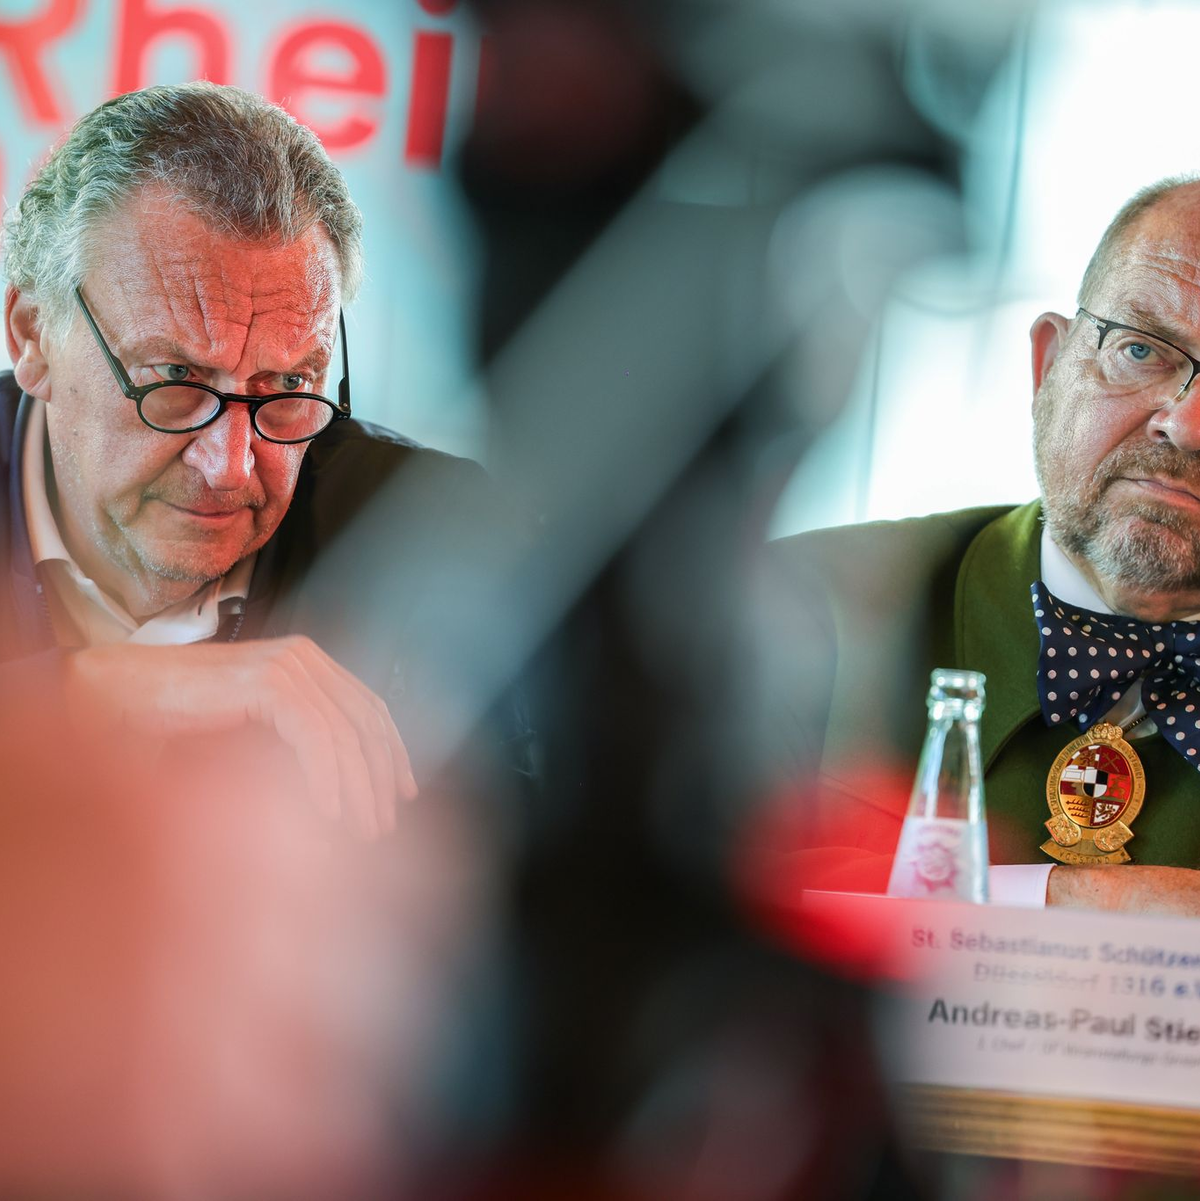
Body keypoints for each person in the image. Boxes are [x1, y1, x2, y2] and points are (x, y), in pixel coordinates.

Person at [1, 81, 529, 834]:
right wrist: (95, 689)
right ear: (31, 334)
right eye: (176, 380)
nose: (230, 466)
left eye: (286, 385)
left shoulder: (428, 531)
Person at [768, 175, 1200, 915]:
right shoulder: (800, 611)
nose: (1185, 426)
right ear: (1048, 366)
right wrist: (1063, 900)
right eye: (1140, 349)